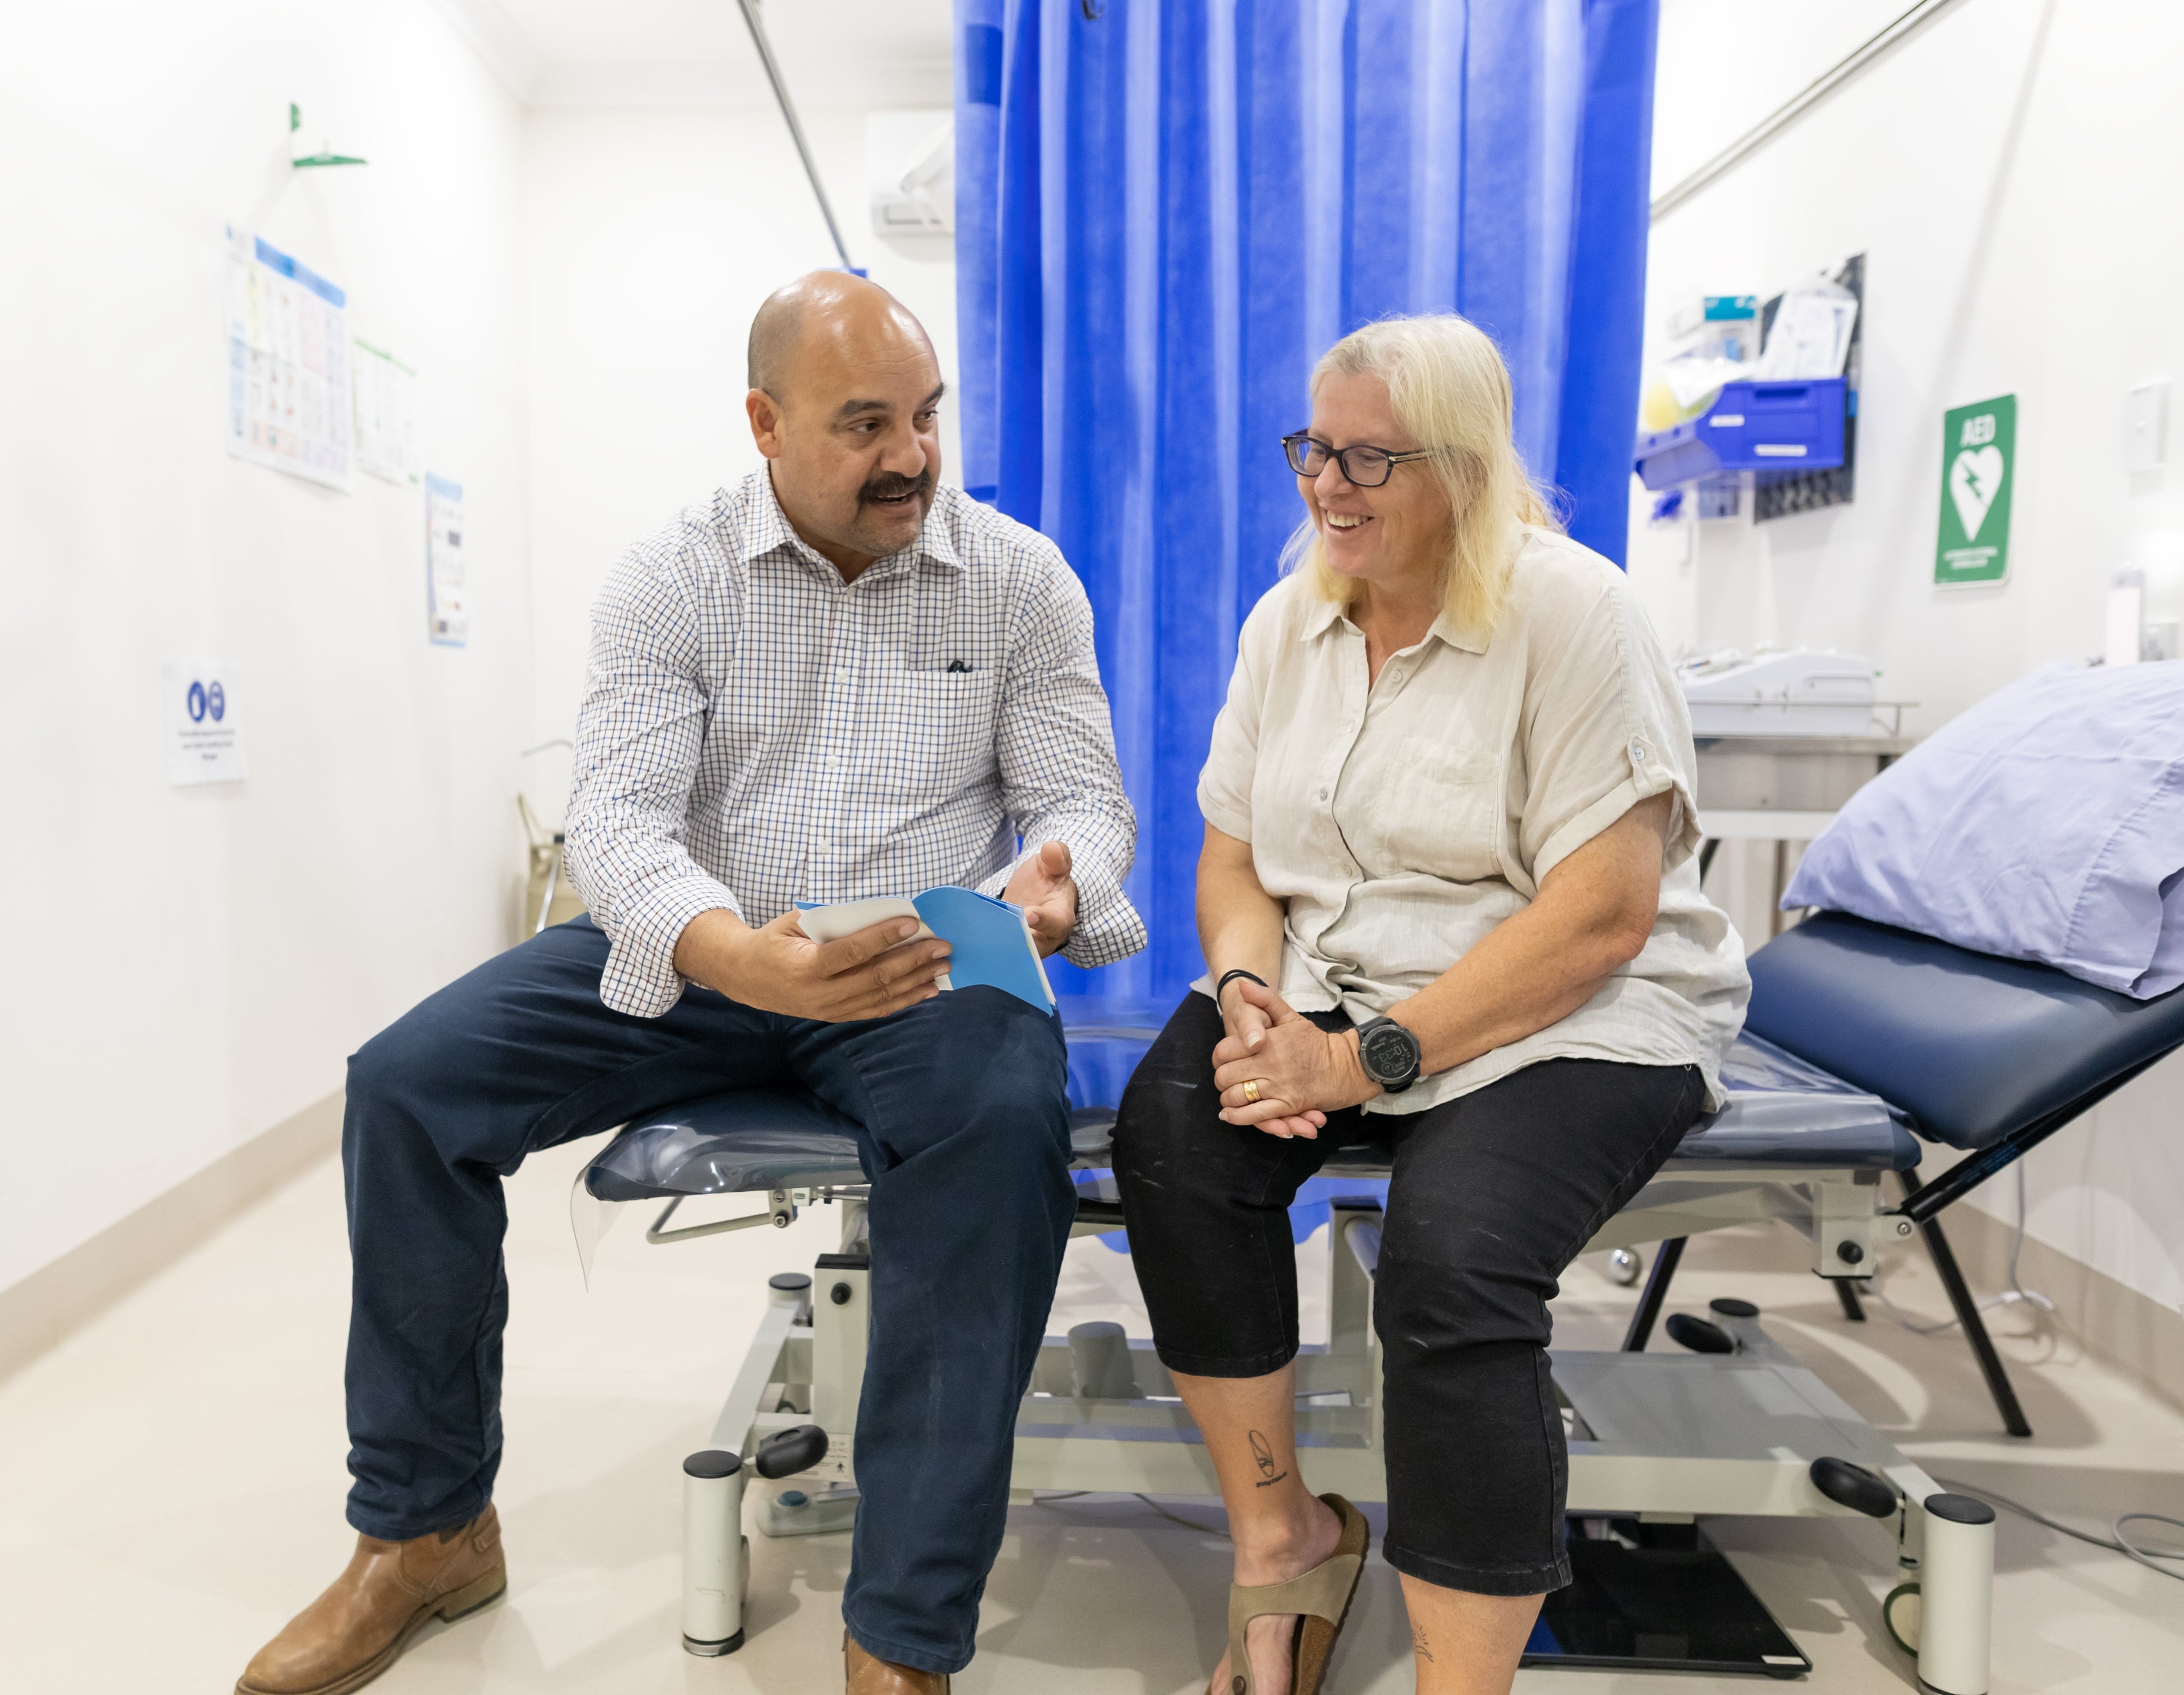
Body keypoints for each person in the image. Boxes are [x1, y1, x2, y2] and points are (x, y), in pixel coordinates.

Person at [238, 271, 1146, 1695]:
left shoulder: (1020, 579)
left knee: (997, 1124)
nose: (910, 455)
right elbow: (615, 823)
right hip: (709, 948)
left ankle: (901, 1636)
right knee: (407, 1090)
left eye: (926, 417)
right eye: (864, 425)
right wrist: (732, 953)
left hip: (915, 966)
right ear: (764, 424)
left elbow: (1082, 800)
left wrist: (1060, 880)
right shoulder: (673, 577)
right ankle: (426, 1532)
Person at [1110, 314, 1749, 1695]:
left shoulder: (1573, 614)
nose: (1327, 485)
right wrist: (1247, 994)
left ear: (1464, 467)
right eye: (1314, 449)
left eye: (1370, 459)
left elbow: (1603, 915)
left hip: (1574, 1010)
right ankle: (1284, 1543)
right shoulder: (1288, 624)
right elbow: (1233, 860)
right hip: (1332, 983)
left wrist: (1361, 1064)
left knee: (1453, 1261)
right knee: (1172, 1138)